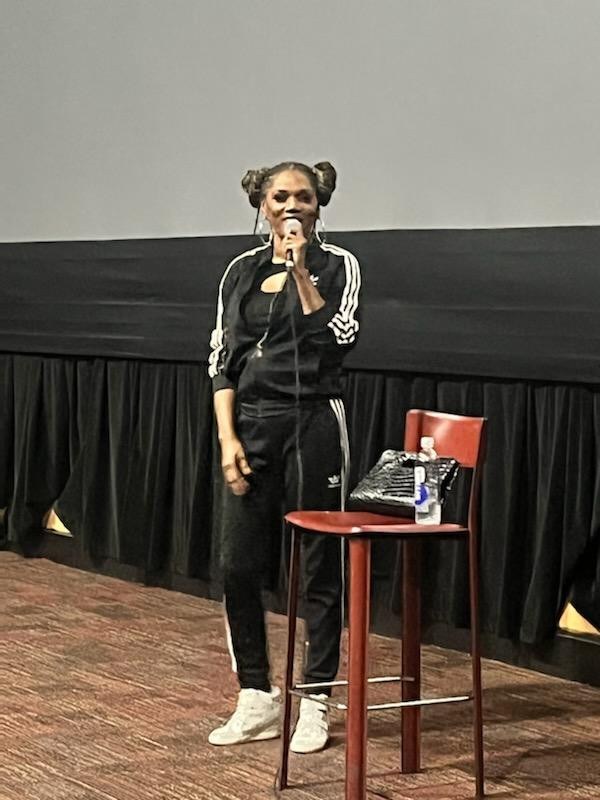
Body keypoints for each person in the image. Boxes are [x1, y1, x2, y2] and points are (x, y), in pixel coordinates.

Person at [207, 160, 361, 753]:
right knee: (237, 564)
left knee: (318, 563)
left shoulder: (338, 265)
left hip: (314, 421)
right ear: (262, 205)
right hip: (250, 424)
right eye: (279, 197)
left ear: (319, 206)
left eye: (303, 197)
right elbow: (222, 359)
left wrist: (300, 273)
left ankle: (315, 700)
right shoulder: (239, 272)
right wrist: (228, 439)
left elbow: (338, 338)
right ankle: (256, 696)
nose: (292, 206)